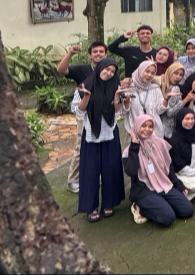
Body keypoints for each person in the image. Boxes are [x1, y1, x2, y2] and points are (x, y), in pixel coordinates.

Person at [71, 57, 125, 222]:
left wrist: (117, 97)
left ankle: (109, 202)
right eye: (107, 69)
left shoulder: (115, 86)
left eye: (112, 71)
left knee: (111, 168)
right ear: (100, 68)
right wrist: (86, 97)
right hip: (91, 133)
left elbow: (118, 111)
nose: (109, 73)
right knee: (90, 170)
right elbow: (78, 111)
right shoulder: (85, 86)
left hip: (110, 131)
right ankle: (91, 207)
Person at [123, 114, 194, 227]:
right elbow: (131, 171)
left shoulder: (160, 143)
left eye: (150, 126)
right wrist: (135, 146)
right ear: (137, 126)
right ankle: (139, 208)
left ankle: (161, 203)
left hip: (163, 184)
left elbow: (169, 168)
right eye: (143, 126)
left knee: (187, 210)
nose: (147, 129)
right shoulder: (129, 151)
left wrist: (178, 185)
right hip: (144, 190)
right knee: (168, 218)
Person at [57, 40, 107, 194]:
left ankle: (95, 174)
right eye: (95, 51)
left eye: (101, 51)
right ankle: (73, 180)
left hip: (102, 113)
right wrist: (70, 53)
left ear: (106, 54)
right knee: (82, 144)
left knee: (99, 144)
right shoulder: (82, 69)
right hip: (84, 112)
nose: (98, 54)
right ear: (90, 54)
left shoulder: (109, 69)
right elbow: (61, 70)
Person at [122, 60, 167, 140]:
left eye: (152, 73)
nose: (149, 75)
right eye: (147, 71)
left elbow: (159, 111)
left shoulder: (155, 89)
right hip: (135, 132)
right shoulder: (128, 88)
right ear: (140, 70)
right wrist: (126, 104)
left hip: (153, 131)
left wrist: (166, 100)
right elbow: (123, 112)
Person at [159, 63, 186, 140]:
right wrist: (185, 100)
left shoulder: (176, 88)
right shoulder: (158, 84)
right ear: (170, 71)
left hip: (166, 130)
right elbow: (170, 112)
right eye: (176, 73)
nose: (178, 77)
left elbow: (169, 112)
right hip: (159, 128)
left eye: (181, 75)